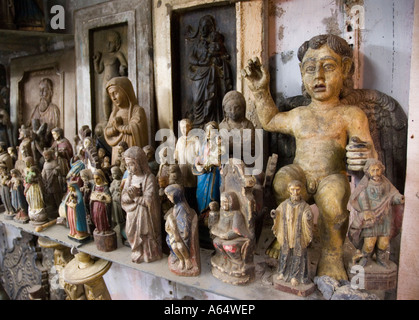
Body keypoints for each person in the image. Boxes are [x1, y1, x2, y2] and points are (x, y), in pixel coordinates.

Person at [242, 34, 377, 280]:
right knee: (282, 180)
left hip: (332, 176)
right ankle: (287, 240)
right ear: (302, 74)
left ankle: (332, 255)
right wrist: (261, 90)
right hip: (300, 174)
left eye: (328, 67)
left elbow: (368, 153)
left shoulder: (351, 114)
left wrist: (363, 156)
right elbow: (270, 120)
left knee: (335, 204)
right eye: (310, 69)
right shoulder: (300, 114)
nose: (319, 77)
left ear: (345, 69)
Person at [349, 159, 404, 268]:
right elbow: (361, 197)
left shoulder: (386, 183)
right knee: (369, 243)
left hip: (385, 216)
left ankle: (381, 258)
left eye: (377, 170)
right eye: (372, 170)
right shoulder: (365, 184)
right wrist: (366, 211)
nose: (375, 173)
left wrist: (399, 198)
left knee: (383, 242)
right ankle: (365, 257)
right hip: (371, 217)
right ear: (368, 171)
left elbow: (393, 194)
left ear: (382, 170)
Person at [187, 14, 233, 128]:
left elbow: (225, 57)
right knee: (197, 100)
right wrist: (199, 63)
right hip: (198, 75)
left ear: (210, 28)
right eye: (201, 27)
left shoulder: (216, 43)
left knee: (212, 100)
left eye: (205, 27)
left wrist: (219, 61)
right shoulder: (197, 44)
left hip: (212, 75)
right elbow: (190, 57)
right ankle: (198, 124)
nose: (203, 30)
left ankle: (211, 126)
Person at [121, 146, 162, 263]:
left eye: (131, 164)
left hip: (146, 216)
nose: (129, 168)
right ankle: (137, 251)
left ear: (139, 162)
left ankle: (148, 254)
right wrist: (129, 196)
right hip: (131, 213)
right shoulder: (129, 178)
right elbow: (123, 198)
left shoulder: (149, 178)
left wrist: (135, 197)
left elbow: (149, 201)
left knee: (145, 235)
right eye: (127, 165)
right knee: (130, 231)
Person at [271, 180, 313, 286]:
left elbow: (308, 214)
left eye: (297, 189)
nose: (295, 192)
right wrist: (275, 214)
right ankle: (282, 272)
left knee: (298, 255)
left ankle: (295, 276)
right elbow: (278, 212)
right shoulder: (284, 204)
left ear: (301, 190)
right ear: (288, 190)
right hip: (287, 233)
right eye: (292, 189)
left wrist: (307, 217)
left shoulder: (304, 206)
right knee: (284, 253)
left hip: (298, 234)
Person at [104, 77, 149, 163]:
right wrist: (113, 129)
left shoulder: (137, 110)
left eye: (115, 93)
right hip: (117, 150)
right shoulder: (114, 113)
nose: (113, 98)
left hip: (131, 146)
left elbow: (135, 128)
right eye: (110, 95)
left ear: (126, 92)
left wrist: (119, 127)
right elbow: (107, 131)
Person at [164, 184, 200, 275]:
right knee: (169, 240)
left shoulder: (182, 207)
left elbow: (184, 226)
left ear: (176, 195)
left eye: (169, 195)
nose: (168, 198)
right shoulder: (177, 206)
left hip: (182, 234)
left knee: (178, 245)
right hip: (177, 232)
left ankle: (185, 259)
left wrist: (174, 229)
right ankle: (179, 258)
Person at [93, 31, 128, 121]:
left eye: (111, 43)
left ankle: (117, 119)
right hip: (105, 82)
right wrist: (96, 61)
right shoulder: (105, 57)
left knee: (117, 102)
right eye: (107, 42)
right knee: (105, 101)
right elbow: (99, 70)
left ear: (116, 44)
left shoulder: (118, 55)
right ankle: (107, 121)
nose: (108, 45)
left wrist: (122, 68)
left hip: (115, 82)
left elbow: (124, 65)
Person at [89, 169, 112, 235]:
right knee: (96, 216)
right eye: (94, 179)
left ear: (102, 178)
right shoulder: (94, 186)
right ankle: (98, 228)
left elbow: (108, 198)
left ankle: (104, 229)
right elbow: (92, 195)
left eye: (98, 178)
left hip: (102, 205)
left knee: (102, 217)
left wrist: (102, 197)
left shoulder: (105, 186)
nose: (96, 181)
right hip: (95, 205)